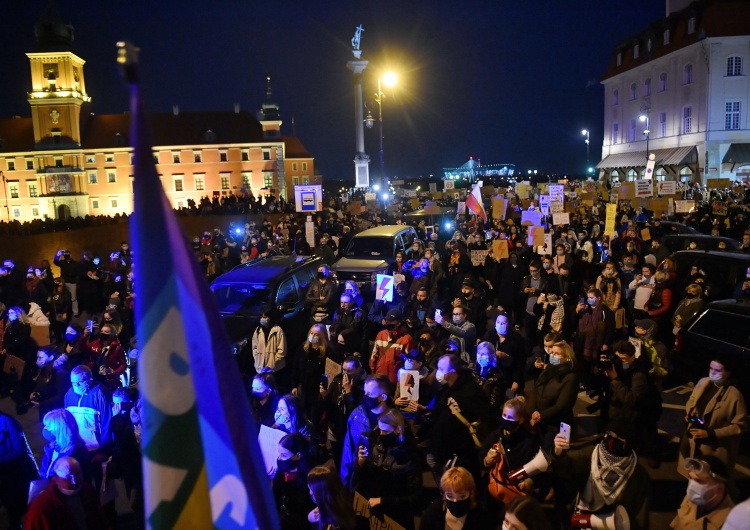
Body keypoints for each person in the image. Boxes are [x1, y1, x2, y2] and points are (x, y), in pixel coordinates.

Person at [551, 419, 650, 530]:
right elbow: (565, 471)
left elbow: (638, 515)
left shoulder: (639, 476)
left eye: (618, 439)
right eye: (609, 435)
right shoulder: (588, 455)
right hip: (581, 519)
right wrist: (558, 453)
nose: (611, 440)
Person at [679, 357, 747, 485]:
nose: (713, 373)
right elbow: (692, 399)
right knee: (693, 474)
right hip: (694, 438)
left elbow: (740, 426)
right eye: (711, 368)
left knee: (711, 482)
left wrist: (712, 433)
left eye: (718, 370)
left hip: (714, 447)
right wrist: (689, 413)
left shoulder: (735, 396)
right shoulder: (703, 382)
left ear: (728, 373)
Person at [428, 354, 498, 480]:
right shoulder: (446, 388)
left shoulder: (471, 391)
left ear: (453, 372)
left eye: (442, 369)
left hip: (463, 456)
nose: (438, 373)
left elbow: (488, 418)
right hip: (446, 452)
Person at [353, 409, 422, 530]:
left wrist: (383, 501)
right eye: (379, 430)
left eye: (385, 431)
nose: (380, 434)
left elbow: (415, 498)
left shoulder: (409, 456)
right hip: (375, 513)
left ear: (398, 430)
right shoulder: (376, 444)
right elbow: (365, 478)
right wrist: (360, 463)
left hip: (396, 518)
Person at [601, 340, 662, 467]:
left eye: (624, 359)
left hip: (642, 413)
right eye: (618, 358)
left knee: (646, 435)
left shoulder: (639, 374)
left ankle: (651, 454)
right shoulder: (616, 367)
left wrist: (615, 380)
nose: (620, 362)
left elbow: (632, 400)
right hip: (620, 412)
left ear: (633, 357)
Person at [24, 456, 109, 530]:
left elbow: (100, 518)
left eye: (77, 475)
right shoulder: (41, 508)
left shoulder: (86, 489)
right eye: (68, 477)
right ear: (56, 478)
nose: (74, 481)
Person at [340, 374, 393, 487]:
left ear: (383, 397)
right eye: (365, 392)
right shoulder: (356, 416)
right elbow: (348, 452)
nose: (365, 397)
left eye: (370, 394)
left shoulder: (395, 421)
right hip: (362, 482)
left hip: (386, 485)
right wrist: (346, 484)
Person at [528, 341, 578, 450]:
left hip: (554, 426)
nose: (553, 356)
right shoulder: (547, 371)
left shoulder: (570, 377)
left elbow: (561, 405)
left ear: (567, 358)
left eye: (557, 354)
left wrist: (541, 415)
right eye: (552, 353)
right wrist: (533, 411)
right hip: (539, 423)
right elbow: (535, 390)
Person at [0, 411, 40, 528]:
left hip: (17, 472)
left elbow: (19, 449)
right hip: (4, 476)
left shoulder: (7, 421)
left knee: (22, 504)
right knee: (11, 507)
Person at [418, 466, 493, 529]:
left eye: (462, 496)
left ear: (471, 493)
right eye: (450, 496)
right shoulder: (434, 512)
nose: (455, 501)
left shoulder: (482, 517)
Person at [671, 456, 734, 529]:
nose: (691, 486)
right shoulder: (693, 499)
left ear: (719, 488)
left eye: (699, 481)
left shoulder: (731, 524)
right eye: (690, 478)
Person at [62, 365, 112, 450]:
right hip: (75, 445)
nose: (76, 386)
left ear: (90, 380)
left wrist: (104, 450)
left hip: (94, 446)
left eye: (80, 382)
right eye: (73, 383)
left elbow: (107, 423)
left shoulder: (99, 394)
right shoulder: (69, 394)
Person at [273, 433, 315, 530]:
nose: (280, 459)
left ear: (298, 455)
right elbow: (274, 500)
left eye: (284, 455)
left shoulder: (311, 474)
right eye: (279, 454)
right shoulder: (280, 475)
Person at [39, 408, 91, 482]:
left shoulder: (76, 451)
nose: (45, 429)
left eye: (48, 426)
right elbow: (44, 470)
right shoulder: (55, 445)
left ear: (59, 429)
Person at [292, 324, 331, 420]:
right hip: (303, 388)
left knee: (314, 417)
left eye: (316, 334)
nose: (313, 336)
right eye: (312, 333)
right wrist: (294, 385)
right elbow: (295, 368)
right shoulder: (303, 348)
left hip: (317, 393)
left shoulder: (327, 353)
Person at [307, 465, 362, 530]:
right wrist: (310, 518)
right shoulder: (342, 504)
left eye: (312, 490)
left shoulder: (333, 525)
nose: (310, 493)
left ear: (322, 494)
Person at [483, 313, 524, 395]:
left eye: (503, 323)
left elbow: (520, 361)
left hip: (507, 375)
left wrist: (516, 380)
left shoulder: (516, 339)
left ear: (508, 325)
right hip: (490, 372)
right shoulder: (489, 336)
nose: (500, 325)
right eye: (498, 322)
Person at [370, 309, 414, 386]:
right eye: (388, 321)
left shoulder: (406, 339)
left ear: (399, 323)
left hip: (397, 381)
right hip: (380, 378)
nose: (389, 323)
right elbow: (374, 356)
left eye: (392, 321)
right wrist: (373, 374)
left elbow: (409, 364)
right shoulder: (381, 335)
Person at [79, 322, 127, 391]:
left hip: (107, 377)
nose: (103, 333)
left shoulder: (117, 348)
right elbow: (81, 348)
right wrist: (84, 336)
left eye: (106, 331)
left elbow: (123, 364)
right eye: (101, 331)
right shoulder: (95, 343)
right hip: (94, 373)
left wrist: (115, 372)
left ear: (112, 334)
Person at [251, 307, 287, 377]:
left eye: (265, 317)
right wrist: (257, 358)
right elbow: (254, 347)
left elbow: (282, 350)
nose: (262, 319)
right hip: (261, 368)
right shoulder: (258, 330)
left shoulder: (277, 330)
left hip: (275, 369)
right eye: (262, 316)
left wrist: (272, 363)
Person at [472, 341, 506, 411]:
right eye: (479, 353)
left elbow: (493, 404)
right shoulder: (472, 369)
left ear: (492, 355)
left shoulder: (498, 377)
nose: (480, 357)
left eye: (484, 354)